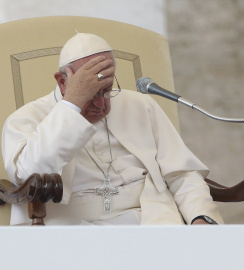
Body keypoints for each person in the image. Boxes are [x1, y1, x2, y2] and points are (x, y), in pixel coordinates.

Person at [2, 33, 223, 225]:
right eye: (91, 94)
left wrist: (201, 217)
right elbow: (29, 174)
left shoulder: (140, 105)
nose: (101, 104)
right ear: (62, 82)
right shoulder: (25, 119)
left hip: (151, 223)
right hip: (72, 231)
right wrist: (72, 106)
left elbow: (181, 173)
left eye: (106, 90)